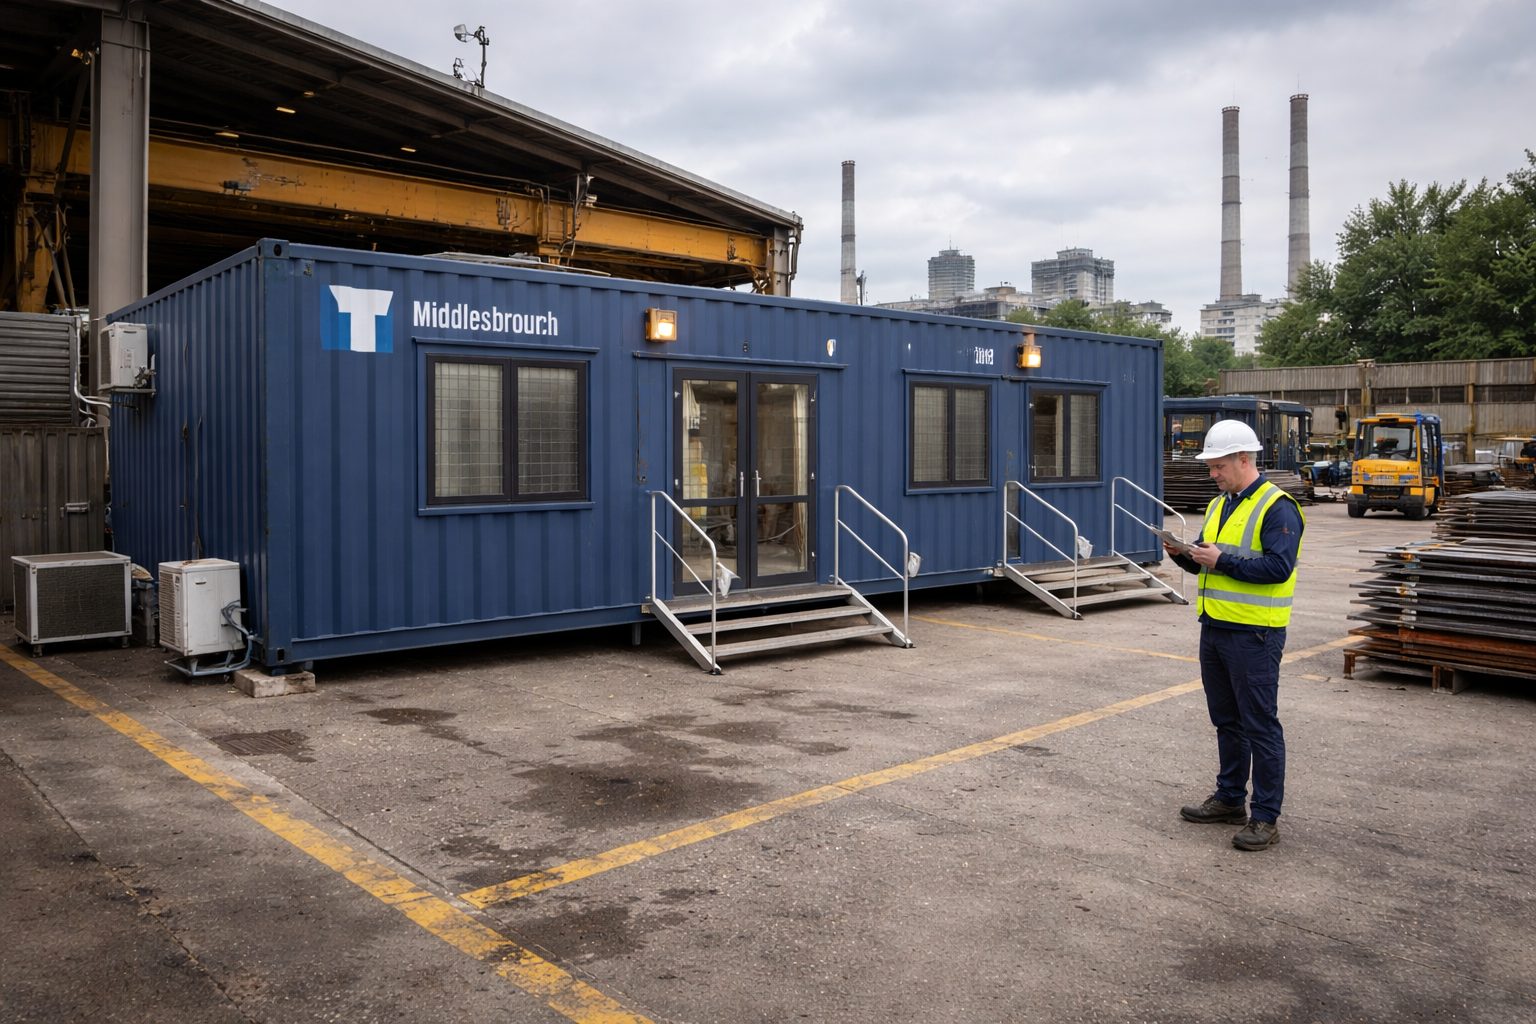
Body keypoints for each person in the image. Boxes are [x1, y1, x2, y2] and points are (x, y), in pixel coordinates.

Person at [1163, 419, 1305, 852]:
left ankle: (1265, 816)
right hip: (1216, 627)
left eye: (1218, 465)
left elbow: (1278, 568)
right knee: (1226, 720)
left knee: (1259, 724)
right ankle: (1229, 799)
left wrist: (1220, 561)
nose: (1212, 474)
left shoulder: (1277, 507)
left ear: (1245, 459)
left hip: (1255, 635)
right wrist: (1184, 556)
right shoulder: (1219, 504)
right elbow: (1213, 560)